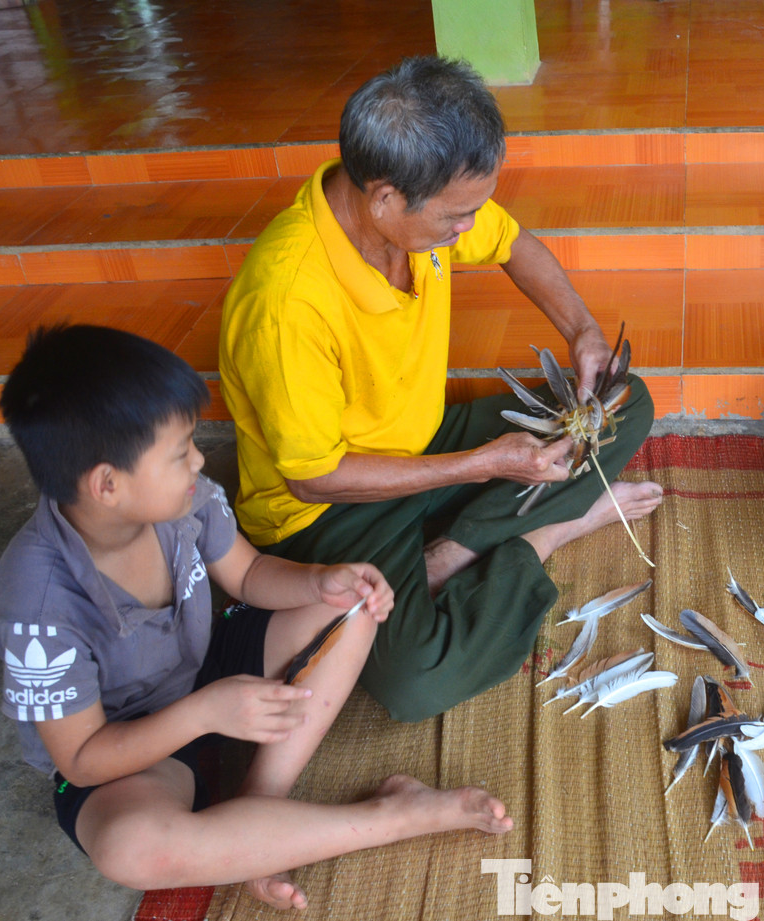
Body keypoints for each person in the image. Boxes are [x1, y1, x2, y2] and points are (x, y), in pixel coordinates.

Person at [0, 325, 513, 912]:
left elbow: (249, 573)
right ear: (107, 484)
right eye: (179, 452)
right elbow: (83, 759)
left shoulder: (183, 499)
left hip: (204, 668)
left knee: (353, 602)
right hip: (127, 749)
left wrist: (320, 581)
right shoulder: (37, 610)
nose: (199, 459)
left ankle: (261, 808)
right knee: (130, 848)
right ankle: (393, 816)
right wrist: (204, 712)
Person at [219, 56, 662, 723]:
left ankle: (454, 550)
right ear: (385, 198)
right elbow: (313, 479)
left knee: (625, 404)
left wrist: (583, 331)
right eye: (457, 216)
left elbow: (514, 244)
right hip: (329, 510)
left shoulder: (421, 208)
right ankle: (547, 533)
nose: (468, 228)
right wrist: (483, 464)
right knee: (415, 681)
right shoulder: (285, 302)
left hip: (423, 439)